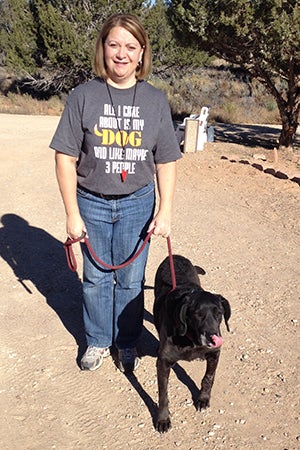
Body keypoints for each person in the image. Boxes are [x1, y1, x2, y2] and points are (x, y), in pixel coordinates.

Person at [50, 13, 181, 373]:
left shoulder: (154, 101)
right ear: (102, 48)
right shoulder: (83, 96)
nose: (121, 54)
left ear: (141, 54)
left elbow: (166, 160)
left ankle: (126, 342)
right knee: (94, 279)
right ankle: (96, 340)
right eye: (114, 45)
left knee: (129, 280)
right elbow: (65, 158)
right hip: (91, 202)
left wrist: (165, 209)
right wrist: (72, 213)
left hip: (138, 204)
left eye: (130, 46)